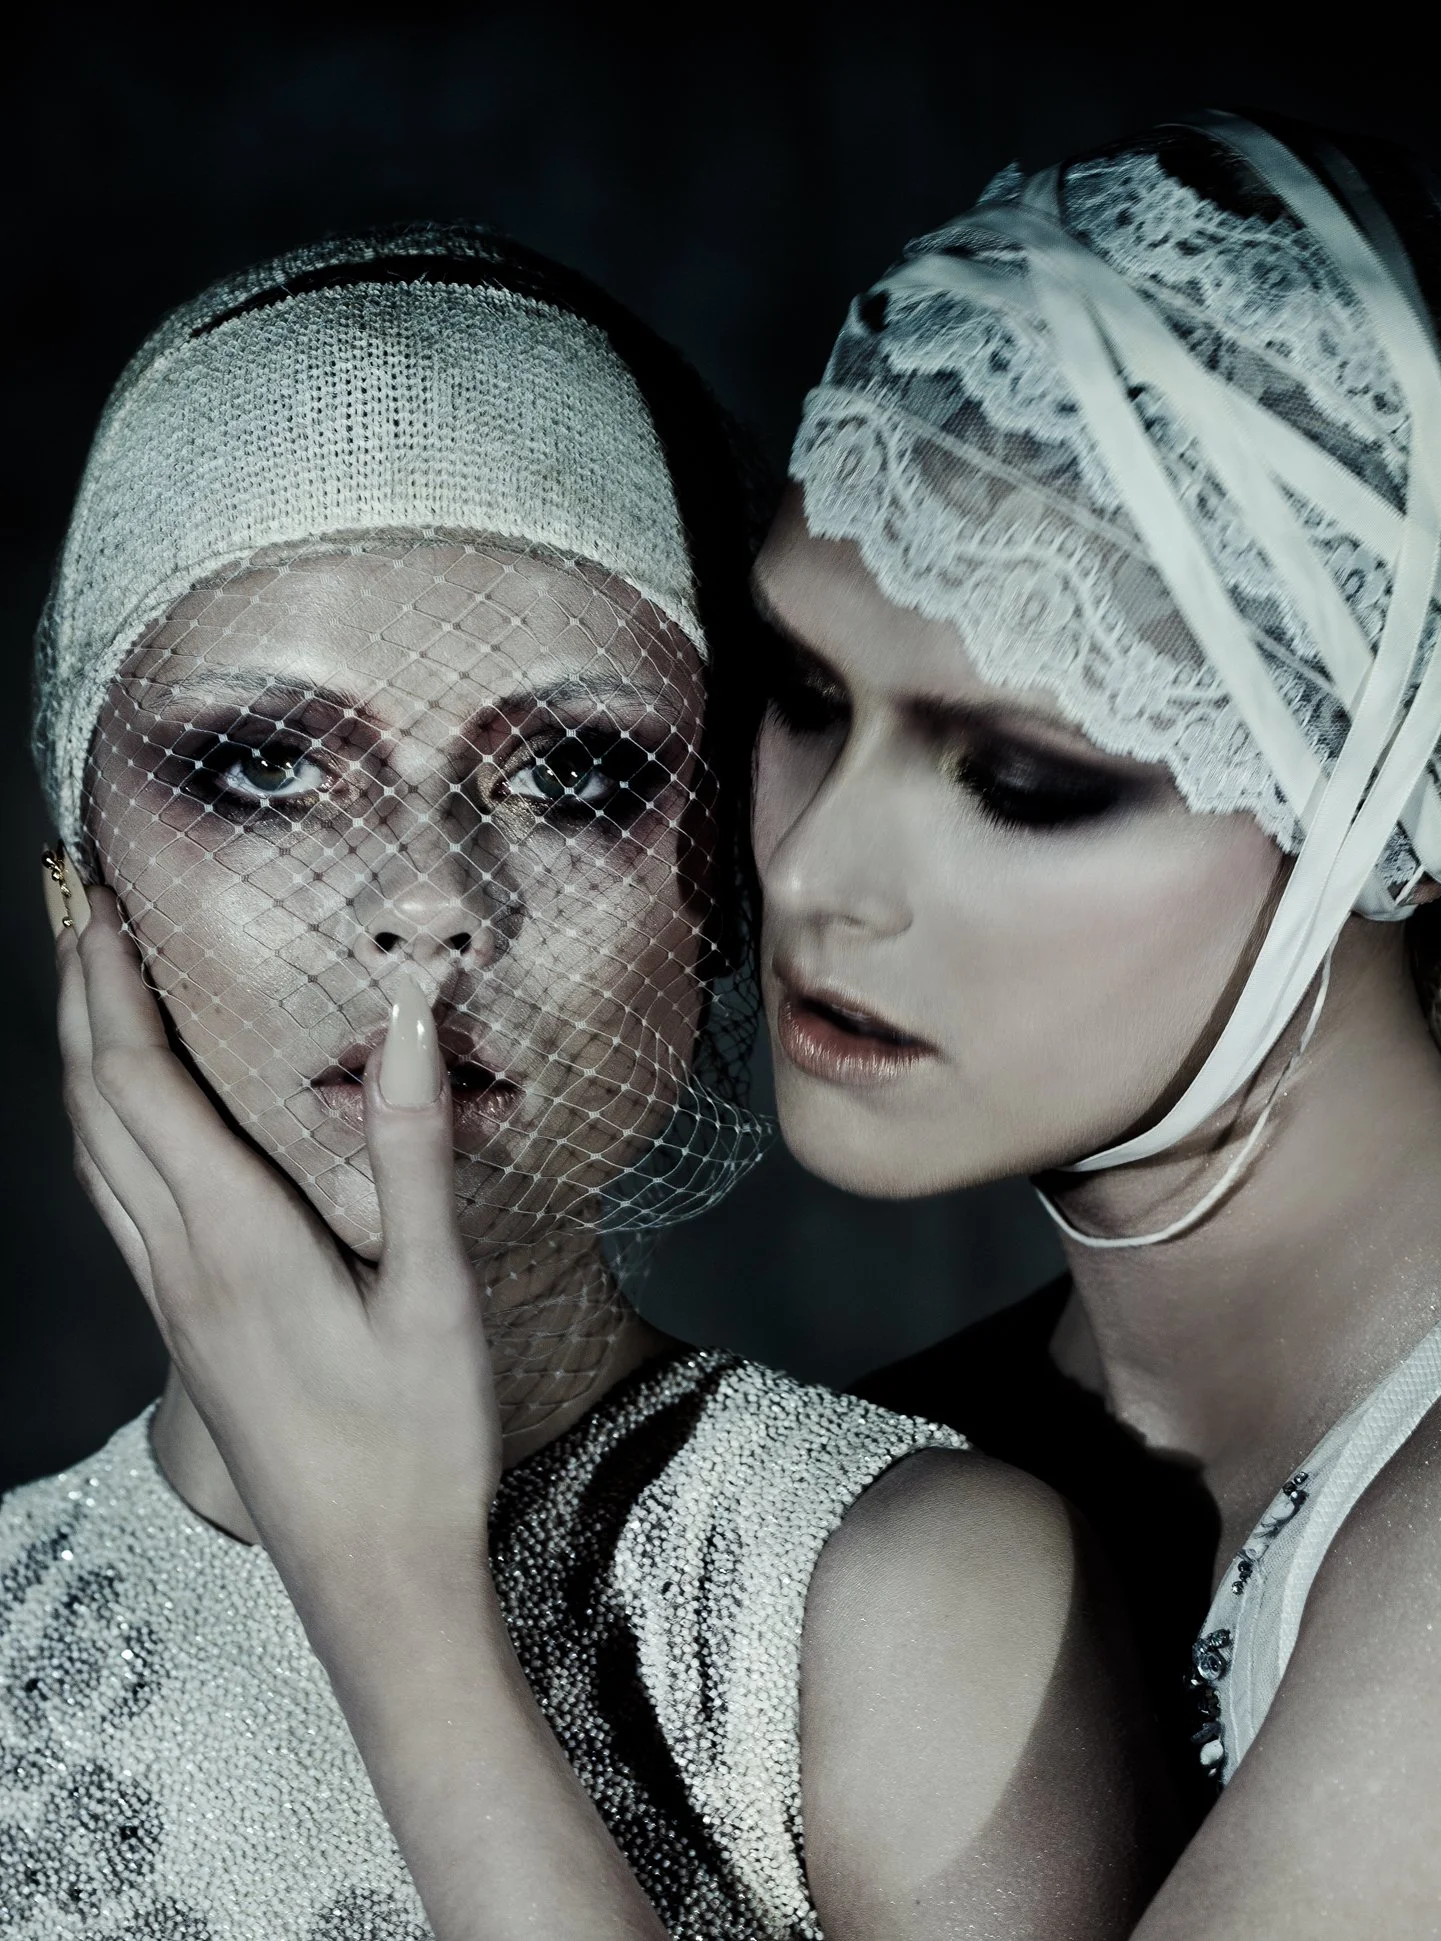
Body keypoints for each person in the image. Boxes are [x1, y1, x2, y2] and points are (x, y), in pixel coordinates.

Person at [4, 227, 1160, 1939]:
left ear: (720, 883)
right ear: (78, 878)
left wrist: (402, 1611)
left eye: (577, 772)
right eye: (259, 766)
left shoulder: (896, 1602)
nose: (419, 899)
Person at [754, 111, 1441, 1929]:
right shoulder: (888, 1472)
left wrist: (402, 1620)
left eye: (1020, 779)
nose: (812, 872)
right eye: (799, 695)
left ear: (1383, 822)